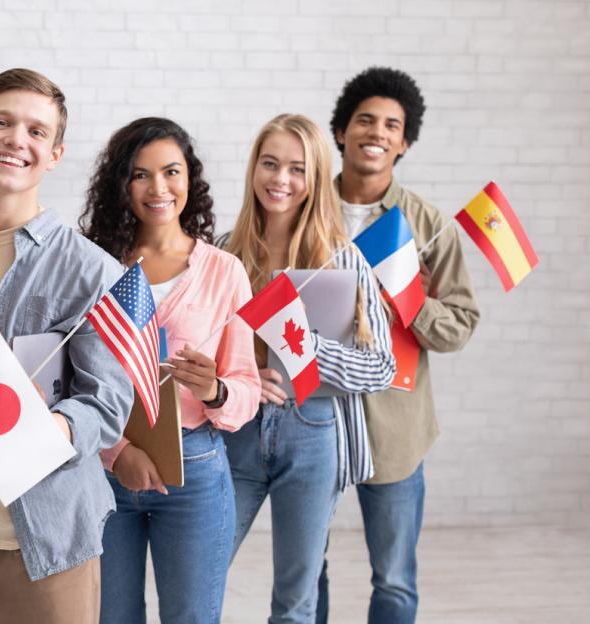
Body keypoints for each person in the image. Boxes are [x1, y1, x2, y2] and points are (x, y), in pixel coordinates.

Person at [0, 68, 133, 624]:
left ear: (55, 153)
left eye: (36, 131)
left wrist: (55, 428)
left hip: (41, 544)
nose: (16, 139)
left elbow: (107, 406)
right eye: (2, 122)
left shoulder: (91, 270)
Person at [79, 117, 261, 624]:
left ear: (190, 179)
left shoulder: (224, 271)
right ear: (121, 184)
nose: (158, 188)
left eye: (171, 172)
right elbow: (72, 382)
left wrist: (217, 390)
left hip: (196, 470)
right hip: (104, 471)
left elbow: (246, 390)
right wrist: (118, 454)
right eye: (140, 174)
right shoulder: (96, 264)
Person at [315, 67, 480, 624]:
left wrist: (410, 303)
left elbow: (459, 323)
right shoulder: (302, 210)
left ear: (404, 141)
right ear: (341, 130)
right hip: (315, 418)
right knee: (306, 566)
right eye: (365, 120)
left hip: (395, 426)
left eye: (392, 124)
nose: (377, 132)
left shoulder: (430, 226)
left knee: (394, 578)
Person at [221, 113, 395, 624]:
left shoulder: (341, 261)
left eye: (297, 169)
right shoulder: (227, 252)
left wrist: (304, 346)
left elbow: (381, 368)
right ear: (254, 169)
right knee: (202, 570)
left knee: (295, 601)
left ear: (315, 179)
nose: (280, 180)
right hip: (237, 432)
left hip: (314, 431)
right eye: (270, 164)